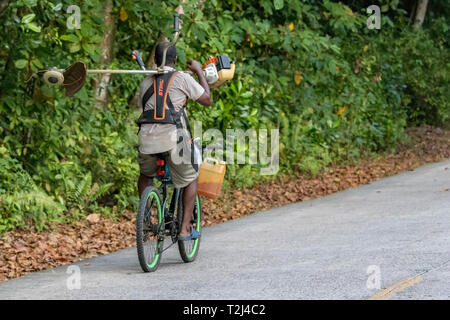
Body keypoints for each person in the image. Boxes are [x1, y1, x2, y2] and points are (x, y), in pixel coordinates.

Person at [137, 41, 212, 240]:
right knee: (191, 177)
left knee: (145, 175)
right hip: (173, 141)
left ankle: (146, 216)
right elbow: (207, 100)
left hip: (147, 141)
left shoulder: (145, 82)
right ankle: (185, 228)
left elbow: (143, 109)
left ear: (154, 60)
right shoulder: (183, 78)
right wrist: (199, 72)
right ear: (175, 60)